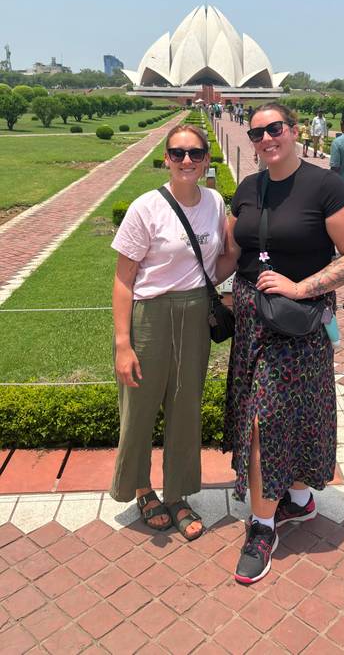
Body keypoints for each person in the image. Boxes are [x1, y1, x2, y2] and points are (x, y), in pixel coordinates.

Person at [218, 102, 344, 584]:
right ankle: (299, 500)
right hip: (252, 321)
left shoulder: (326, 187)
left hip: (297, 324)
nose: (266, 138)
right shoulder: (249, 188)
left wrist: (301, 288)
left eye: (275, 128)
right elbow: (233, 252)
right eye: (257, 132)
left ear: (294, 130)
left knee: (267, 420)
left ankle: (262, 526)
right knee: (287, 413)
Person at [110, 124, 226, 539]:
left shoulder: (215, 202)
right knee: (140, 407)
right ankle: (142, 489)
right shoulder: (146, 207)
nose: (186, 161)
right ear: (166, 159)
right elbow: (123, 279)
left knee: (185, 408)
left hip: (194, 315)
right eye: (178, 153)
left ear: (206, 159)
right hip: (151, 315)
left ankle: (178, 493)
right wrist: (123, 344)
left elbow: (218, 262)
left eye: (195, 153)